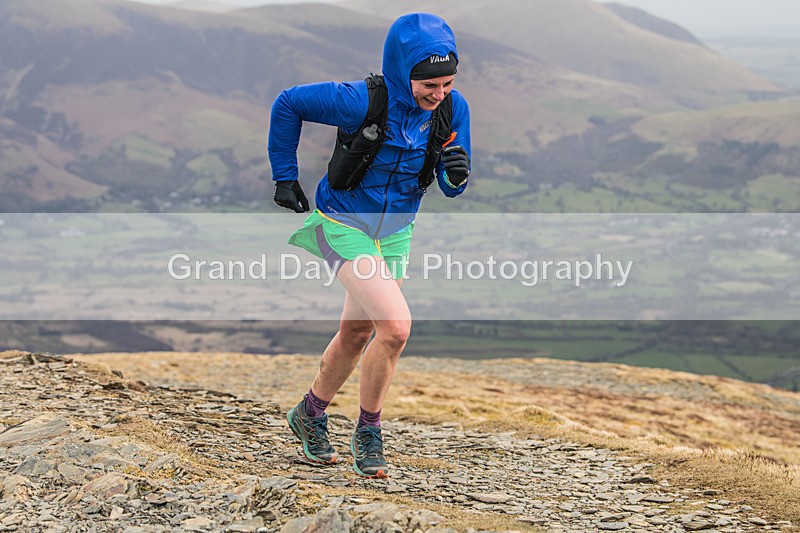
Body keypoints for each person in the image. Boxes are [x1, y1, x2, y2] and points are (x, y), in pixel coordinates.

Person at [267, 12, 471, 479]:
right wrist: (285, 176)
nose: (439, 94)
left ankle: (309, 414)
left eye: (447, 83)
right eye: (429, 85)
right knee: (395, 329)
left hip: (396, 231)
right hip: (341, 223)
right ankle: (369, 430)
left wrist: (456, 176)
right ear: (402, 72)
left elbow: (452, 179)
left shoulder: (452, 108)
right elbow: (288, 103)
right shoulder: (360, 101)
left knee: (359, 332)